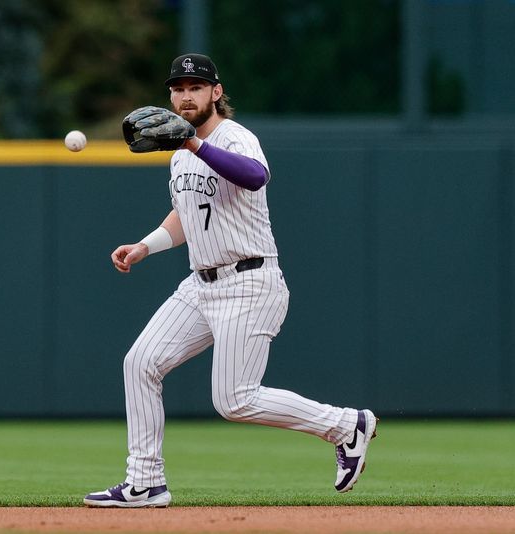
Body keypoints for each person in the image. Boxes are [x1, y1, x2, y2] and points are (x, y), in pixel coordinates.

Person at [83, 53, 377, 508]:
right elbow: (187, 214)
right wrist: (146, 245)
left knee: (234, 400)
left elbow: (255, 178)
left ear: (215, 93)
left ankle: (344, 424)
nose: (185, 96)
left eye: (195, 87)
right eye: (177, 89)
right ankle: (145, 482)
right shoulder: (180, 157)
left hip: (249, 282)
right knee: (139, 363)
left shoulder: (234, 138)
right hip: (200, 287)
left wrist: (195, 145)